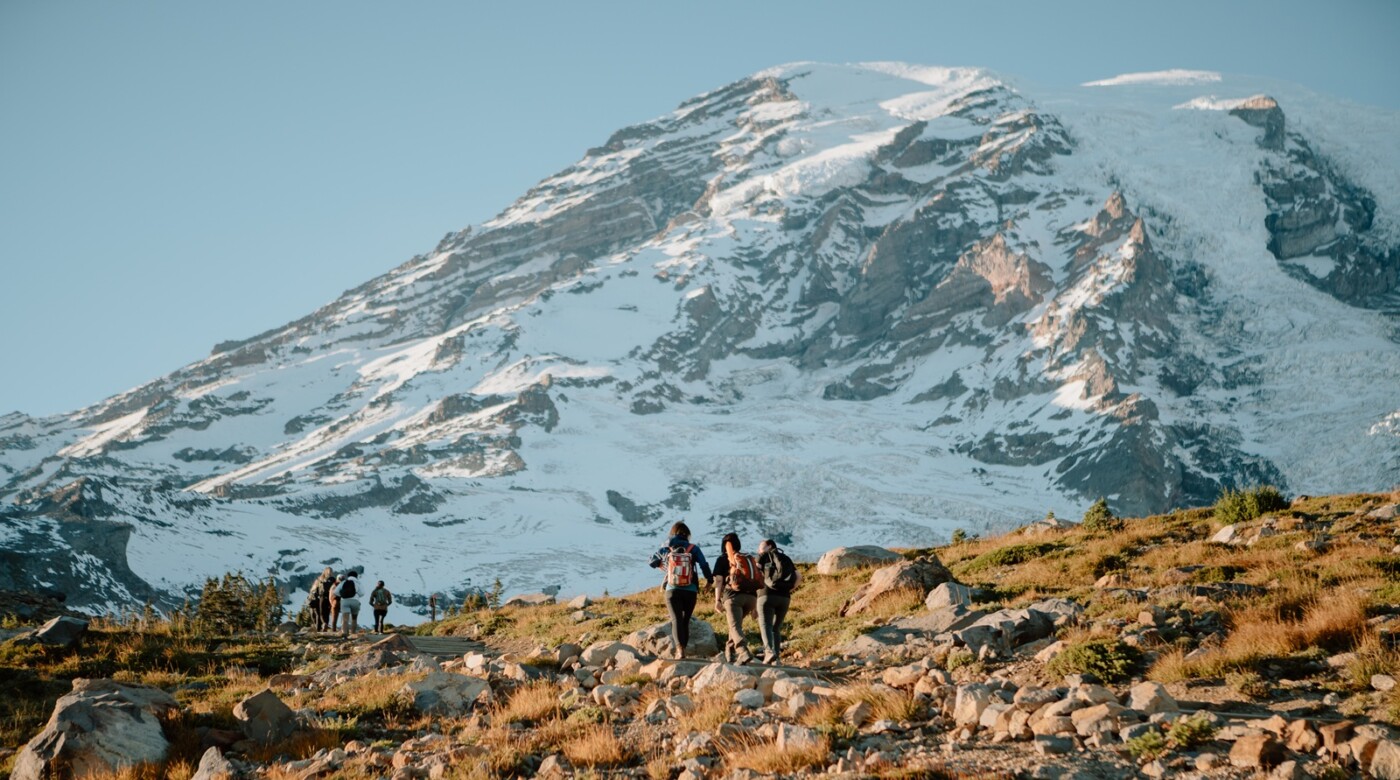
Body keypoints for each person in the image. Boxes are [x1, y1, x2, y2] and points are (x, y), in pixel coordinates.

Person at [648, 521, 713, 659]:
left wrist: (664, 566)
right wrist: (709, 580)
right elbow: (703, 564)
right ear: (687, 535)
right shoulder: (693, 548)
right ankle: (684, 648)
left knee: (676, 619)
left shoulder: (665, 548)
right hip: (691, 590)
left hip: (673, 589)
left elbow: (651, 561)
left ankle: (680, 650)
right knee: (685, 620)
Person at [713, 532, 761, 664]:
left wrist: (717, 600)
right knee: (735, 626)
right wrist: (755, 607)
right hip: (751, 599)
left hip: (733, 598)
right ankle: (730, 655)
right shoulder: (746, 559)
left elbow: (718, 580)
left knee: (734, 626)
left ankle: (743, 651)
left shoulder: (723, 559)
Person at [756, 539, 800, 665]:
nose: (758, 550)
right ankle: (777, 660)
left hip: (766, 595)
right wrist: (788, 590)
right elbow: (799, 577)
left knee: (766, 625)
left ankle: (769, 653)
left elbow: (756, 575)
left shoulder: (763, 557)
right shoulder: (785, 558)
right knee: (776, 628)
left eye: (760, 547)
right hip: (785, 598)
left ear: (769, 546)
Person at [336, 571, 361, 636]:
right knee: (354, 618)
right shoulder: (358, 583)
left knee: (345, 618)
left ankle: (344, 632)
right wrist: (356, 595)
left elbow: (335, 592)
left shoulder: (343, 582)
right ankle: (353, 633)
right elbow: (362, 593)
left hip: (344, 601)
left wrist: (342, 595)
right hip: (355, 601)